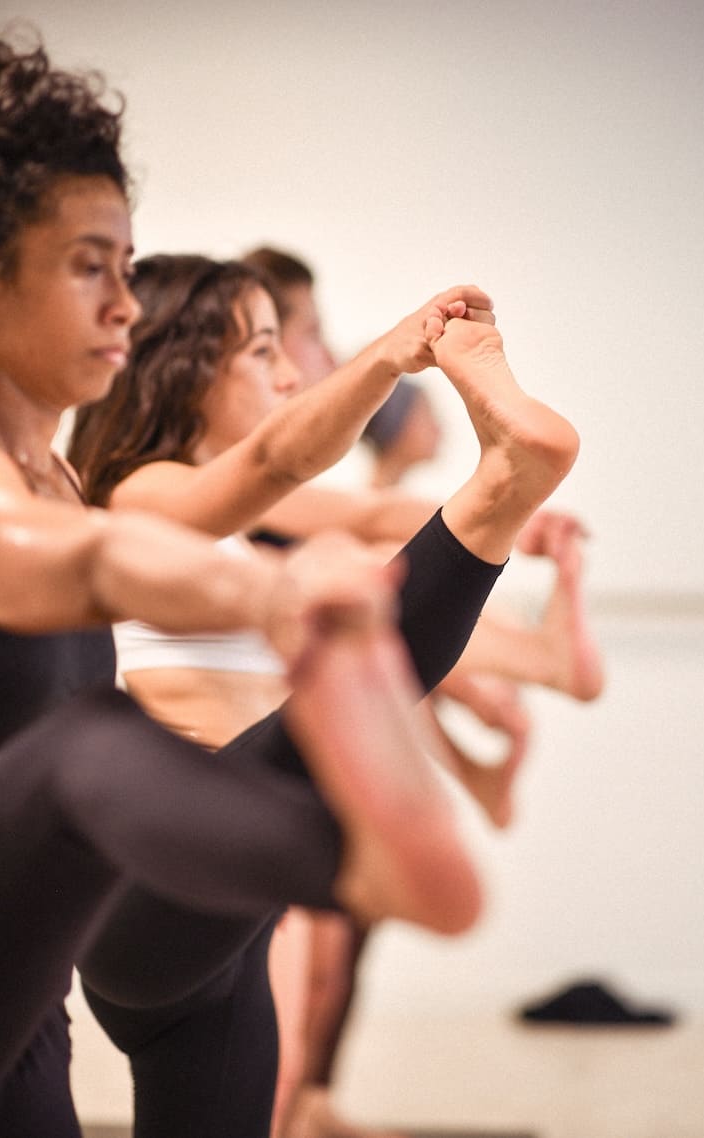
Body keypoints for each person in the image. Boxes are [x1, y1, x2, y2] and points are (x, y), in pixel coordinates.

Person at [0, 32, 580, 1138]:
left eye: (126, 268)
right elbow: (84, 558)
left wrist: (392, 354)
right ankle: (341, 855)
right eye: (87, 267)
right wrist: (269, 600)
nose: (122, 304)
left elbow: (271, 465)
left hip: (60, 1001)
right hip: (123, 879)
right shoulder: (82, 496)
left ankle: (496, 498)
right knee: (88, 748)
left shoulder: (59, 476)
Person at [242, 245, 602, 1138]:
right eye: (299, 334)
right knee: (302, 964)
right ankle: (297, 1107)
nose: (312, 355)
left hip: (294, 734)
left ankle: (307, 1104)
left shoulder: (285, 487)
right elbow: (359, 524)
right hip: (254, 748)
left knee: (328, 953)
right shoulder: (232, 485)